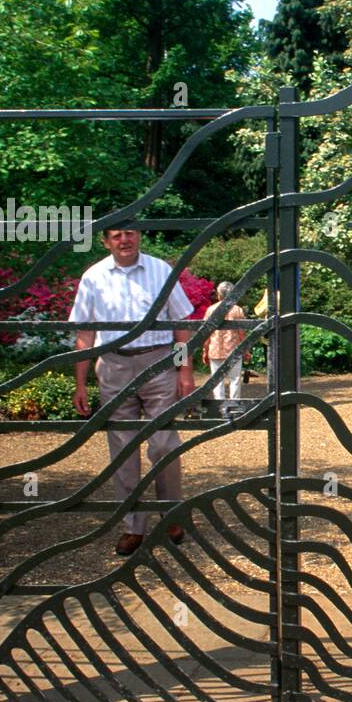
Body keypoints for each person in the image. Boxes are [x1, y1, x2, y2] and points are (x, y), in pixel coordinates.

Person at [70, 226, 195, 555]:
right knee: (123, 450)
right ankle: (132, 527)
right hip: (113, 367)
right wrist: (80, 383)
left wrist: (184, 370)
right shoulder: (93, 277)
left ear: (139, 235)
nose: (124, 240)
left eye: (129, 233)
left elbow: (180, 324)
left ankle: (171, 514)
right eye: (116, 235)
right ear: (106, 241)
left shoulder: (161, 270)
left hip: (158, 366)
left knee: (165, 445)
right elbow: (84, 332)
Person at [202, 281, 248, 400]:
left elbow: (206, 334)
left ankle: (219, 408)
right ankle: (234, 408)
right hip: (234, 350)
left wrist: (205, 351)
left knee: (217, 381)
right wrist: (246, 350)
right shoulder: (237, 310)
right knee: (235, 380)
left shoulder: (211, 310)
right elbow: (241, 333)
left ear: (218, 294)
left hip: (215, 350)